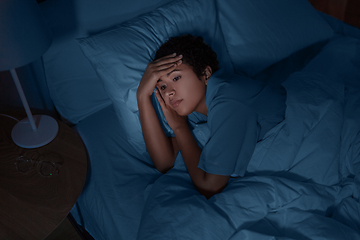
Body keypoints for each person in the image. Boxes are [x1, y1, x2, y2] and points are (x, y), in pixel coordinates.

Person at [137, 34, 286, 199]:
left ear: (205, 73)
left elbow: (210, 186)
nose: (169, 92)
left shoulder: (228, 101)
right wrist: (142, 96)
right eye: (162, 86)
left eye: (176, 78)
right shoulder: (196, 106)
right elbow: (165, 162)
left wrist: (180, 127)